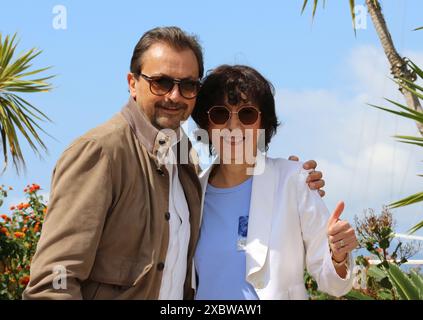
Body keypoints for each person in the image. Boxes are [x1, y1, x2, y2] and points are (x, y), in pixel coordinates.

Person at [23, 27, 325, 300]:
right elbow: (53, 283)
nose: (174, 95)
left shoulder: (186, 165)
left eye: (188, 85)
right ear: (132, 83)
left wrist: (291, 179)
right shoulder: (101, 152)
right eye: (161, 82)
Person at [191, 65, 359, 300]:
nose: (233, 126)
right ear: (206, 125)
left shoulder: (294, 180)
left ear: (264, 124)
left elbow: (333, 283)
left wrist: (338, 255)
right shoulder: (191, 192)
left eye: (247, 114)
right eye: (220, 114)